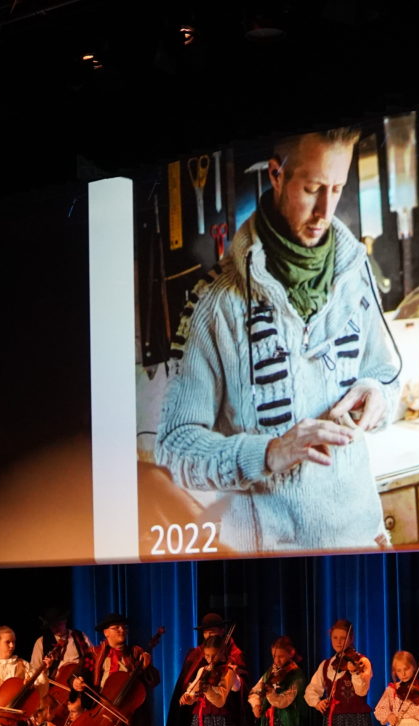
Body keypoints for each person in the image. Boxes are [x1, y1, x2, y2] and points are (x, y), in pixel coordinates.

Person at [153, 128, 398, 554]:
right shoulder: (217, 303)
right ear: (276, 175)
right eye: (313, 188)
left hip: (362, 543)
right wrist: (268, 452)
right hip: (270, 560)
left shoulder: (356, 275)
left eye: (336, 189)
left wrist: (378, 394)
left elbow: (386, 377)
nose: (325, 210)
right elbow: (175, 448)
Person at [167, 612, 249, 726]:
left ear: (222, 631)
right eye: (205, 633)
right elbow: (191, 682)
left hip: (224, 712)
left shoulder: (234, 654)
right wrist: (189, 694)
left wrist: (232, 674)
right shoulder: (197, 653)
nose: (208, 636)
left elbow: (239, 686)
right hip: (201, 712)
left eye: (212, 632)